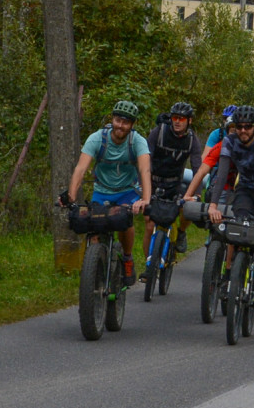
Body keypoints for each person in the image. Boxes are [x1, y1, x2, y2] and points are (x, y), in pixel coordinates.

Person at [66, 100, 153, 287]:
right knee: (94, 228)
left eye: (126, 122)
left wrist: (145, 199)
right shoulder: (97, 139)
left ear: (132, 124)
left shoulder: (137, 141)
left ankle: (127, 258)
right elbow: (81, 169)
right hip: (102, 192)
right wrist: (71, 195)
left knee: (125, 222)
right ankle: (94, 272)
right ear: (112, 119)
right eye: (118, 120)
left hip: (127, 192)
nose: (120, 125)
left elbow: (145, 170)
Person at [205, 104, 254, 312]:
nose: (243, 131)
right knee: (237, 229)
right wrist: (213, 205)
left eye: (248, 126)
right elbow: (222, 174)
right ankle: (231, 275)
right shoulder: (229, 141)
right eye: (239, 127)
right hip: (245, 192)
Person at [143, 102, 199, 278]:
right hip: (153, 182)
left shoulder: (192, 140)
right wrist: (143, 187)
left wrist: (196, 193)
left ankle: (180, 233)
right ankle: (149, 267)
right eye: (175, 117)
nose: (177, 121)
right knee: (149, 225)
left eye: (181, 118)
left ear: (189, 121)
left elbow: (197, 168)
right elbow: (145, 159)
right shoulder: (158, 132)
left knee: (188, 209)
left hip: (175, 183)